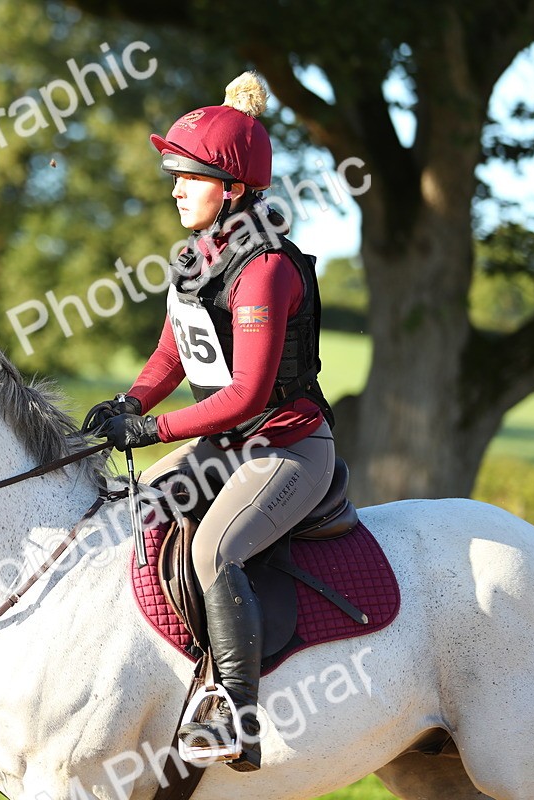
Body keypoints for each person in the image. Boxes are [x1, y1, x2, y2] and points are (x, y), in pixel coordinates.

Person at [81, 71, 336, 772]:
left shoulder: (264, 270)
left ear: (232, 187)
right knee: (137, 512)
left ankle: (235, 716)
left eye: (187, 177)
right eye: (174, 176)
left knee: (211, 552)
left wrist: (156, 432)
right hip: (227, 449)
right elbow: (172, 351)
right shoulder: (197, 258)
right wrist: (132, 402)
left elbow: (251, 395)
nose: (174, 190)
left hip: (286, 450)